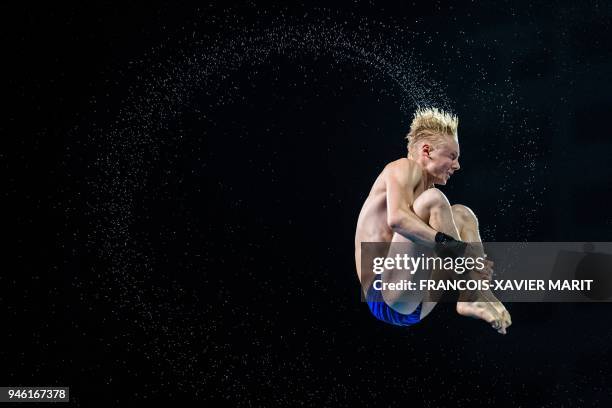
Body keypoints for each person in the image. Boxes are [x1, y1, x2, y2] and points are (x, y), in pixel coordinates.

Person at [354, 107, 512, 334]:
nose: (457, 166)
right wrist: (460, 250)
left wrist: (471, 259)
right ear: (427, 151)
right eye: (452, 156)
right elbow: (397, 219)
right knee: (434, 201)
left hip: (415, 300)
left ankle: (472, 294)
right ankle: (471, 287)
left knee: (462, 214)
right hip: (384, 293)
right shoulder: (403, 168)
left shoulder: (423, 192)